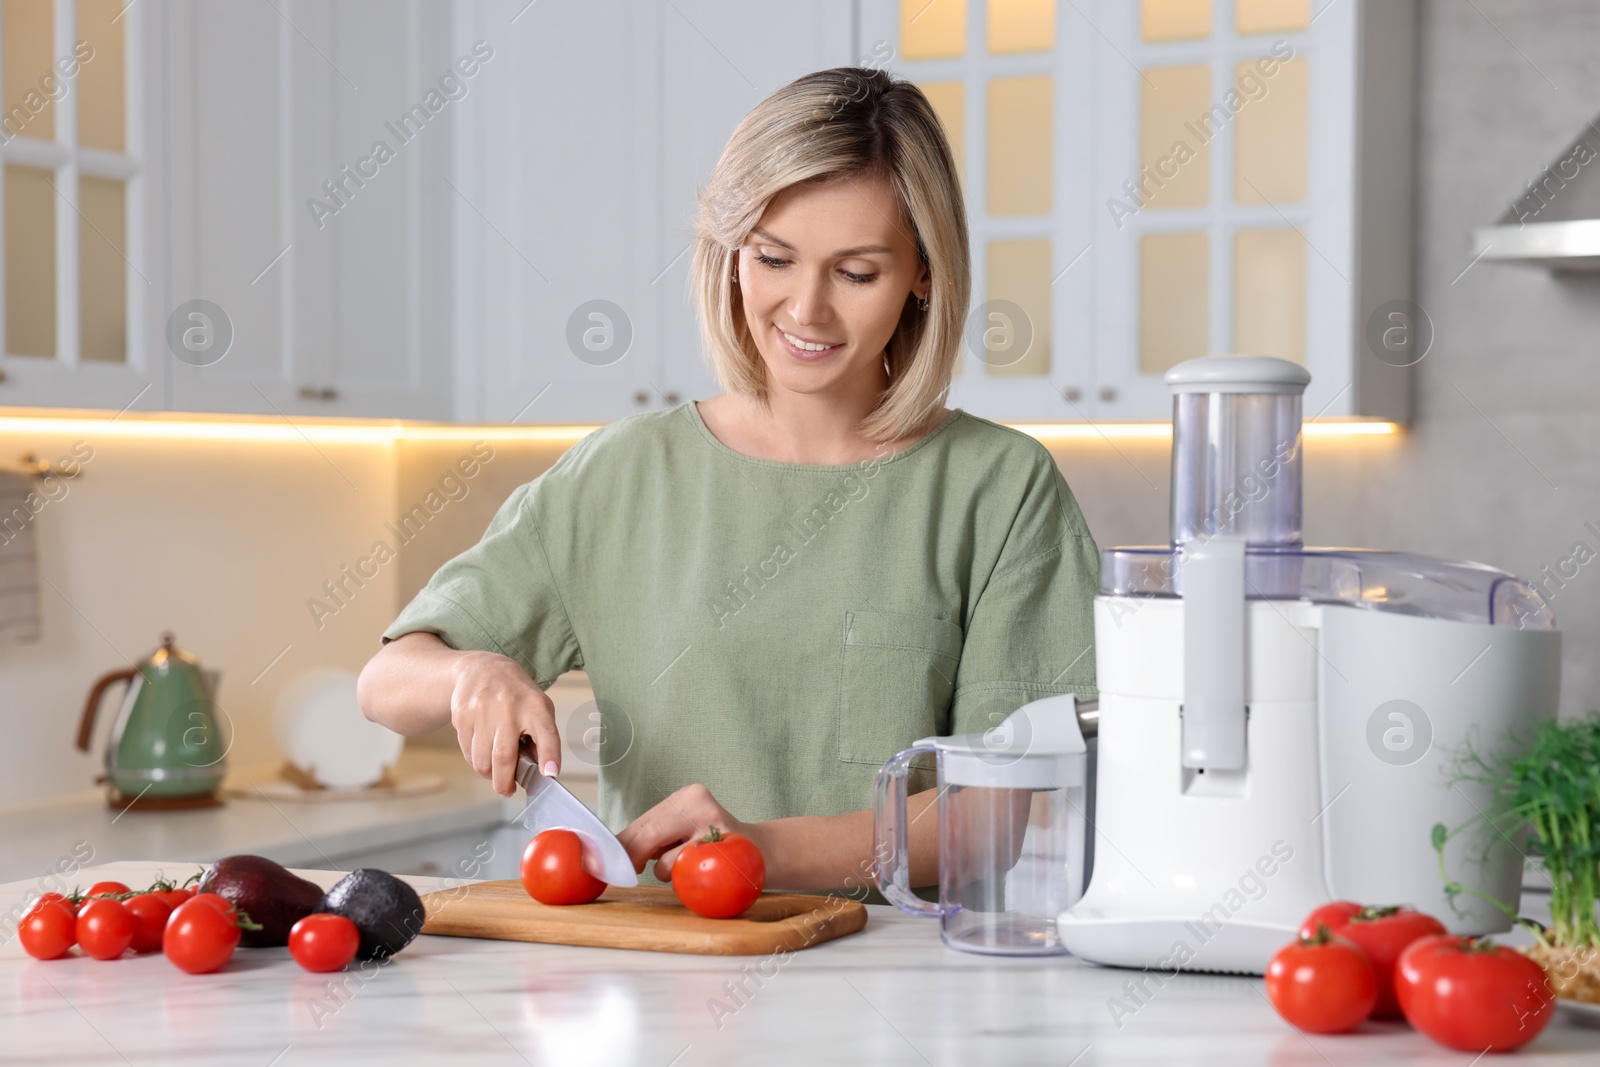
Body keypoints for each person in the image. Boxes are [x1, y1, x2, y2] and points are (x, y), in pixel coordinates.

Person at [357, 66, 1098, 896]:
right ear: (729, 252)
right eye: (774, 258)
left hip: (904, 986)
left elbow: (1010, 810)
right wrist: (470, 674)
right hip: (666, 982)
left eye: (855, 273)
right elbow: (386, 683)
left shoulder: (999, 490)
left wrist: (759, 852)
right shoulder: (622, 476)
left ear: (924, 272)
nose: (805, 309)